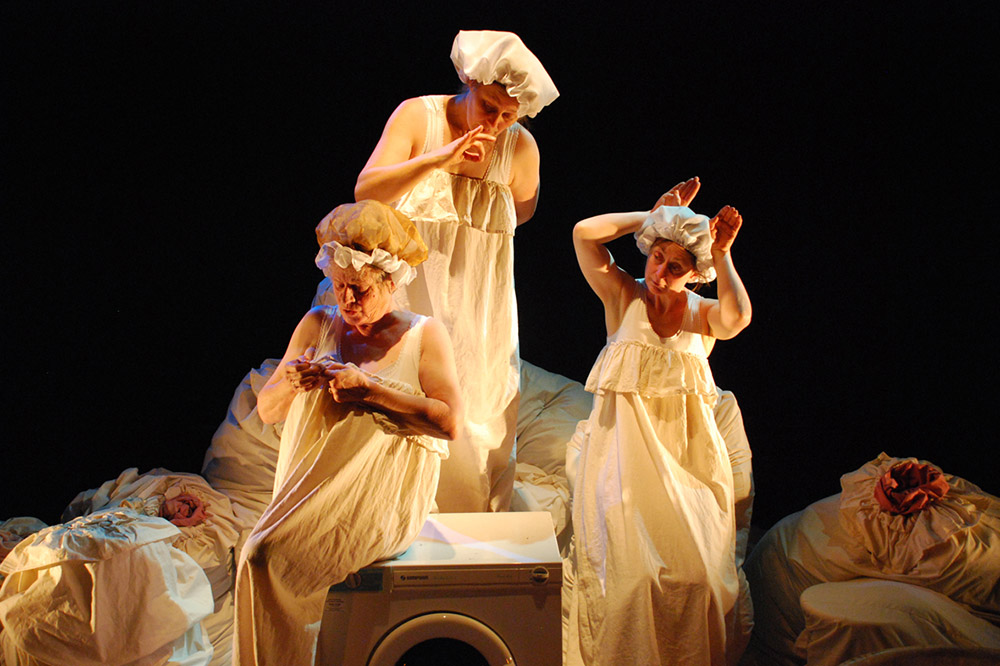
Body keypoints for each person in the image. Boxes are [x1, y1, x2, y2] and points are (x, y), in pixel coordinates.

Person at [233, 200, 463, 665]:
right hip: (311, 489)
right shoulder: (318, 324)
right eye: (339, 288)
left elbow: (449, 423)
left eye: (359, 289)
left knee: (262, 558)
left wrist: (370, 391)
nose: (348, 302)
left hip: (380, 497)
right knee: (254, 558)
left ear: (391, 283)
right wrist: (292, 382)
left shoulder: (423, 334)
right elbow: (269, 410)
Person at [347, 29, 558, 512]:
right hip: (408, 285)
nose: (498, 122)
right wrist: (440, 158)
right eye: (489, 107)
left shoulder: (521, 147)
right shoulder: (418, 115)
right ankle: (388, 515)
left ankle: (466, 525)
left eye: (510, 115)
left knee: (478, 400)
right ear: (469, 81)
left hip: (477, 295)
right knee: (400, 393)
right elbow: (366, 191)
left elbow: (520, 215)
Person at [565, 177, 752, 665]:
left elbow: (737, 319)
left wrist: (724, 252)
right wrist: (653, 216)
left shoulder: (700, 314)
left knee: (702, 582)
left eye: (676, 266)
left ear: (694, 273)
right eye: (656, 258)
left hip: (686, 461)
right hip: (621, 457)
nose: (661, 272)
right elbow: (584, 233)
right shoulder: (623, 296)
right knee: (632, 580)